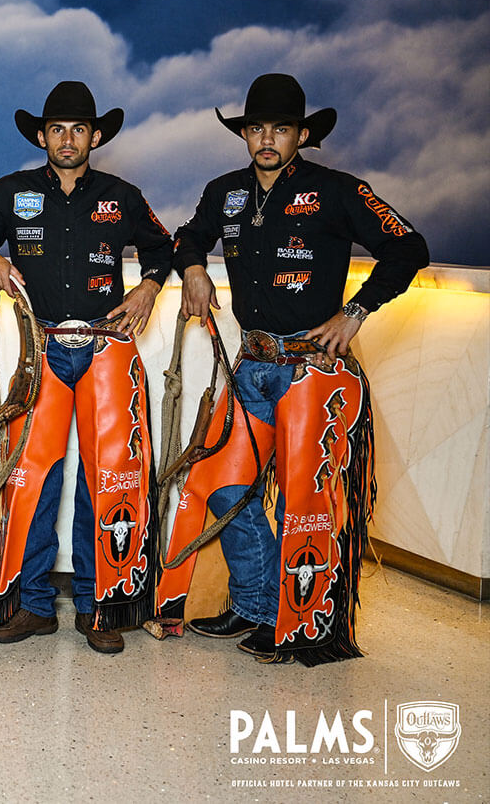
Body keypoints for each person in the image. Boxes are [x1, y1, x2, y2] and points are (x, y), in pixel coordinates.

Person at [159, 73, 428, 664]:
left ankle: (300, 621)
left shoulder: (337, 190)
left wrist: (354, 313)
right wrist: (194, 269)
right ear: (245, 133)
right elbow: (186, 237)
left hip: (312, 371)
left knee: (305, 499)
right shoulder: (225, 191)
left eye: (280, 129)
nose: (266, 139)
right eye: (256, 128)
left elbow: (409, 247)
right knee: (231, 487)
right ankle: (256, 606)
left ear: (301, 135)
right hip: (252, 362)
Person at [0, 81, 171, 654]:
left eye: (79, 129)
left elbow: (164, 247)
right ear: (41, 135)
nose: (68, 139)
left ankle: (99, 606)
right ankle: (31, 605)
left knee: (108, 478)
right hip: (44, 347)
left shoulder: (122, 195)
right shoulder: (11, 191)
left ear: (96, 136)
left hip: (106, 346)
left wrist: (150, 287)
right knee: (33, 477)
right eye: (57, 129)